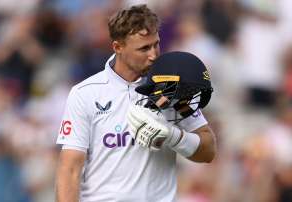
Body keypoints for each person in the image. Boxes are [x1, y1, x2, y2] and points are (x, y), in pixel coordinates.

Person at [55, 4, 216, 202]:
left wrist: (174, 137)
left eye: (156, 44)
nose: (154, 55)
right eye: (144, 48)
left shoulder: (171, 88)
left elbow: (208, 150)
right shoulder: (86, 94)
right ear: (117, 47)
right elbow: (70, 169)